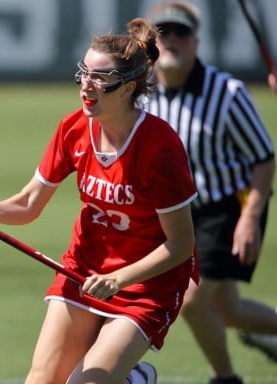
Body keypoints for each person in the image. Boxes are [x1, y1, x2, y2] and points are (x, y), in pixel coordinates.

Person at [0, 18, 197, 384]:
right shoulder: (73, 128)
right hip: (82, 271)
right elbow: (29, 203)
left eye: (101, 78)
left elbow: (180, 245)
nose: (87, 84)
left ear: (129, 87)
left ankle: (134, 378)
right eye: (83, 72)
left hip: (146, 286)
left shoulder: (159, 147)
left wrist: (119, 279)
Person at [144, 2, 277, 383]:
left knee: (193, 302)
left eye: (180, 33)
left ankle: (225, 378)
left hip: (229, 205)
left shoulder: (227, 93)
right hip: (184, 211)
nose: (170, 41)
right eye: (162, 34)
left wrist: (250, 218)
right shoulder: (143, 94)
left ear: (196, 42)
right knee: (229, 310)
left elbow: (264, 159)